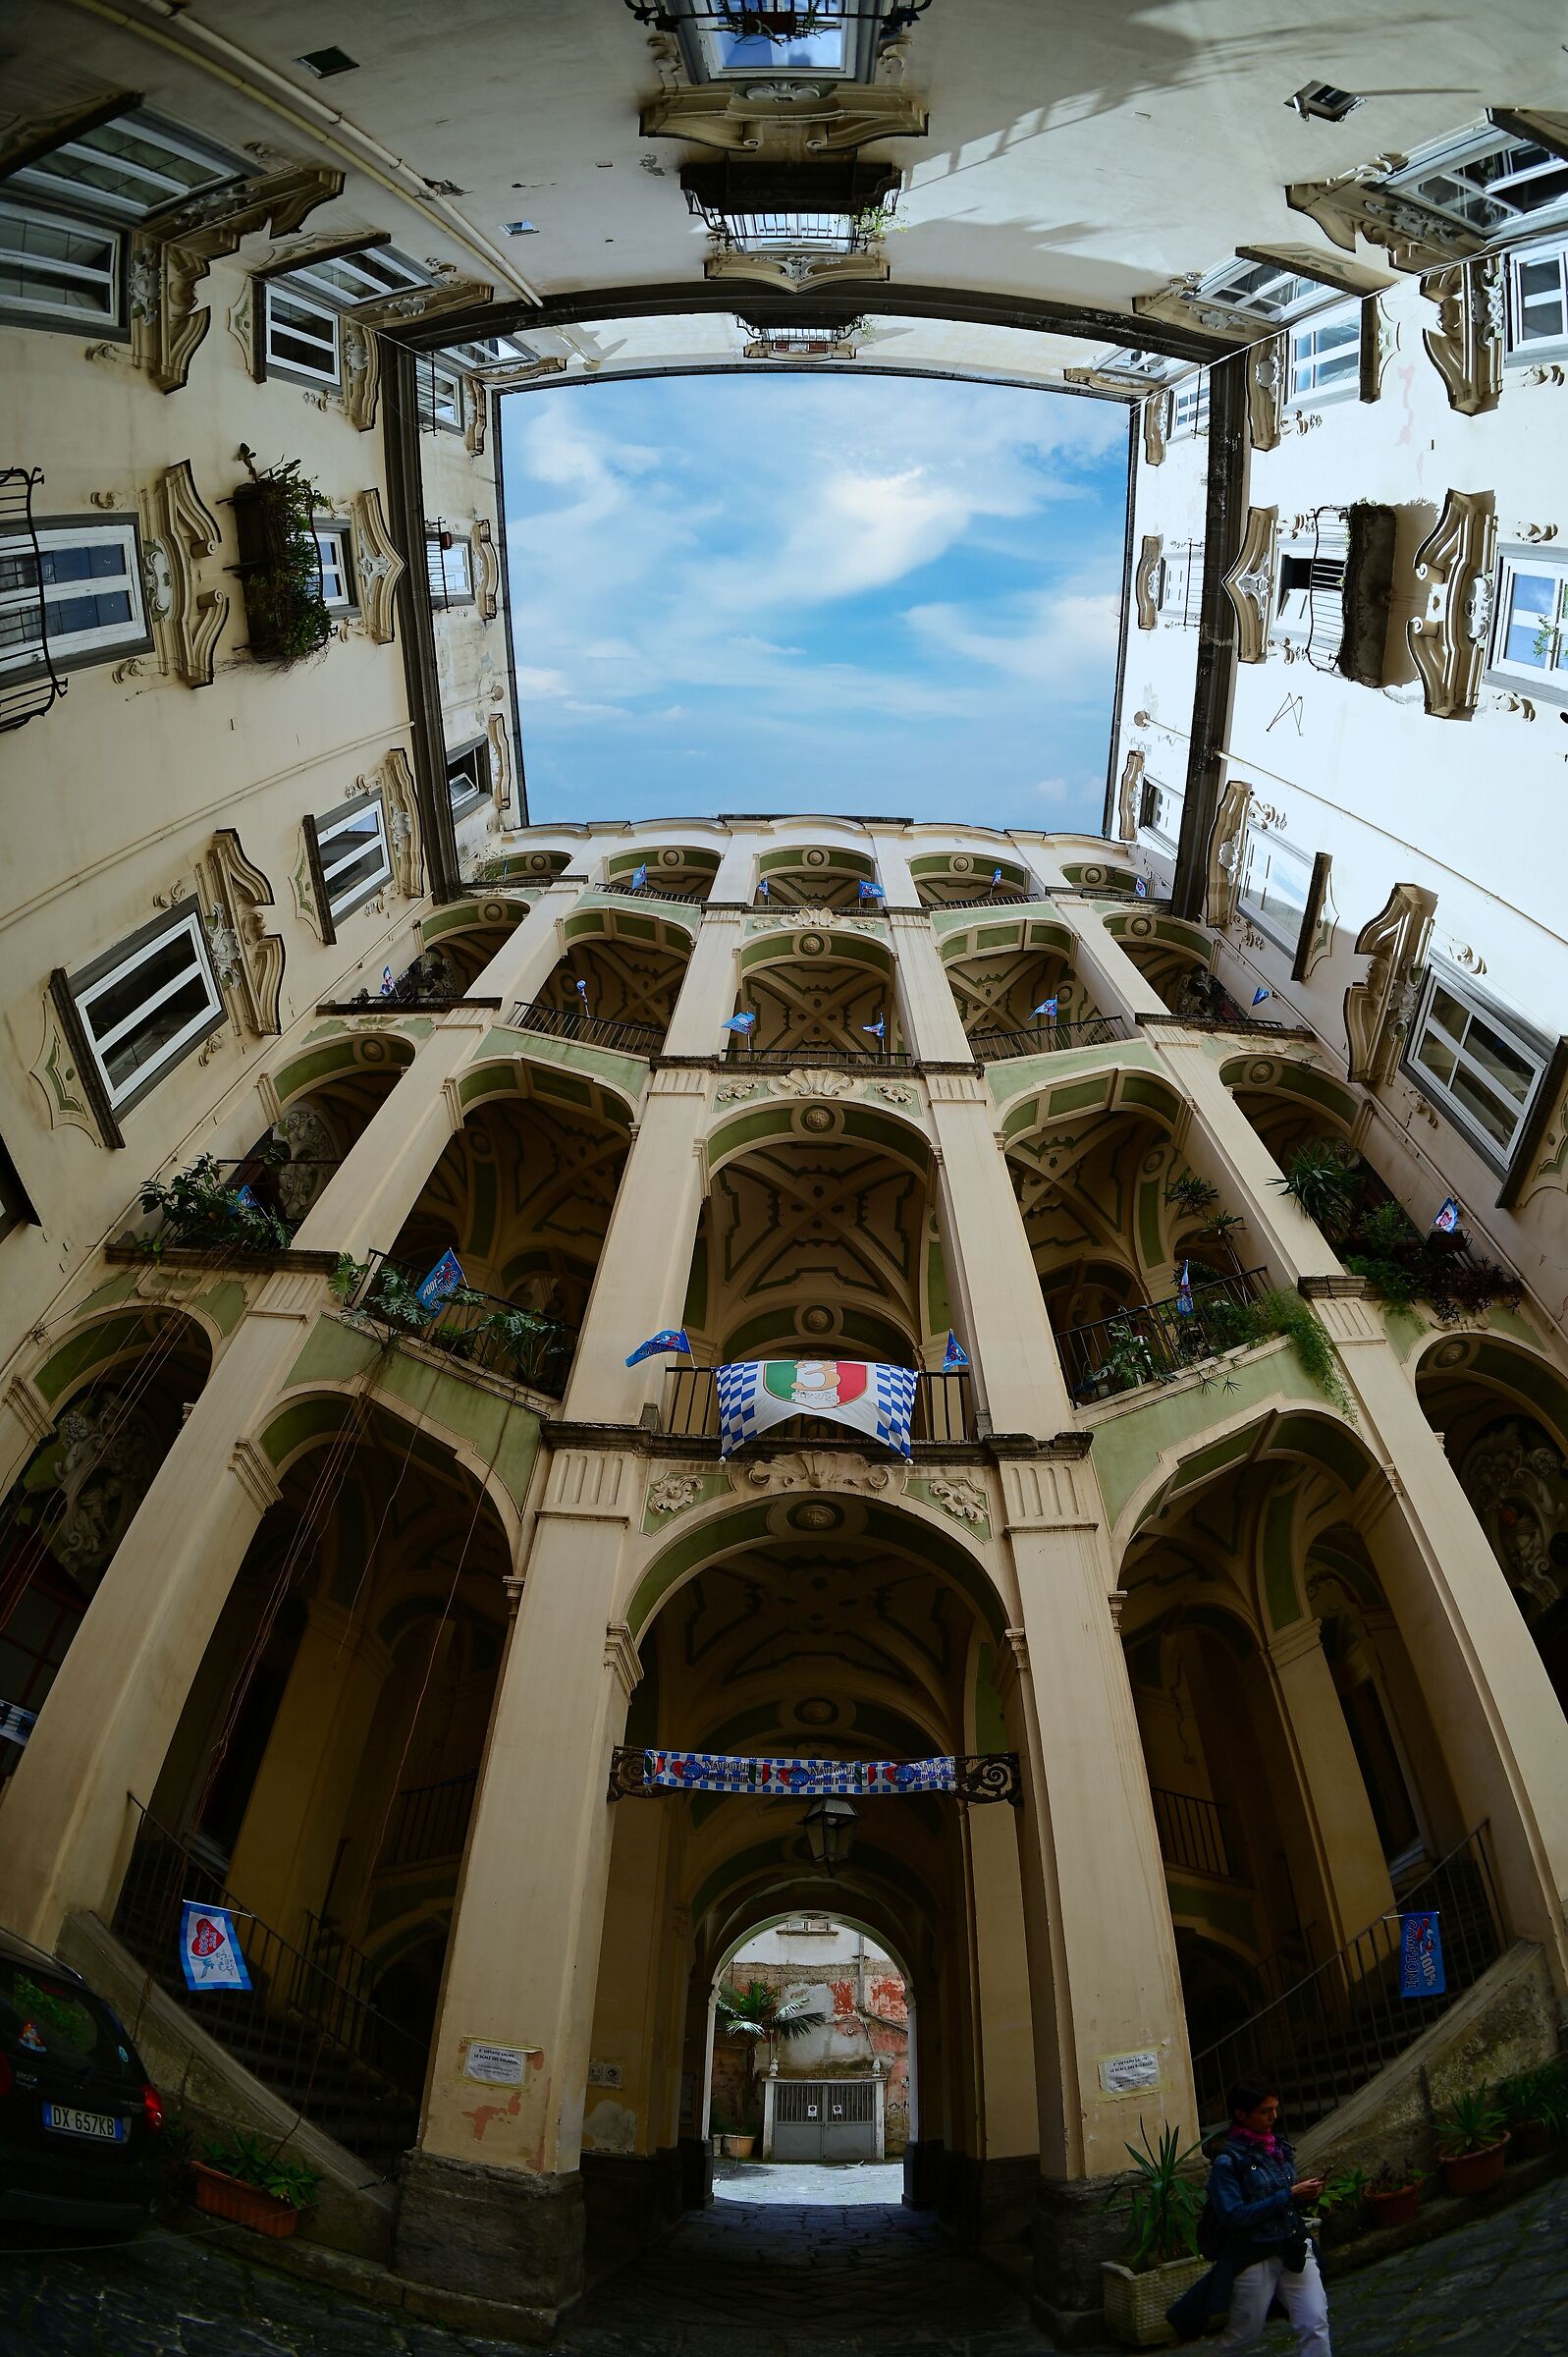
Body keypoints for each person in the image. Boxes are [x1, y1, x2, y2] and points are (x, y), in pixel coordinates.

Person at [1198, 2079, 1330, 2354]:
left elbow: (1287, 2199)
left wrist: (1307, 2195)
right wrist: (1291, 2195)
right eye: (1265, 2111)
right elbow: (1234, 2216)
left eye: (1274, 2109)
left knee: (1315, 2321)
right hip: (1255, 2255)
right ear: (1241, 2115)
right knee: (1244, 2335)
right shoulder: (1227, 2163)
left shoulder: (1279, 2148)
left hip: (1293, 2247)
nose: (1274, 2117)